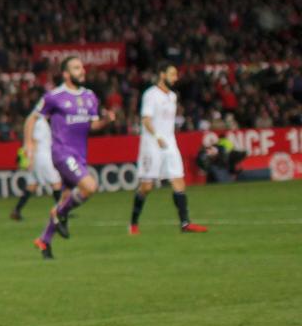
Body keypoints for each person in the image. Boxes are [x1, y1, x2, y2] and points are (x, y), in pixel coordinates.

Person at [33, 57, 116, 260]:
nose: (82, 71)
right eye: (77, 68)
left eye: (82, 67)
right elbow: (34, 117)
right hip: (62, 152)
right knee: (89, 186)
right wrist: (29, 143)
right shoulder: (54, 96)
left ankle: (44, 240)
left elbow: (92, 126)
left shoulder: (90, 97)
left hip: (80, 155)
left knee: (65, 198)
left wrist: (106, 120)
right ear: (66, 74)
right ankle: (61, 214)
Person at [130, 63, 208, 234]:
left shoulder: (172, 96)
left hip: (170, 143)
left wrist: (166, 138)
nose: (175, 78)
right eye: (172, 74)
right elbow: (146, 120)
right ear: (162, 74)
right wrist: (157, 136)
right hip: (152, 144)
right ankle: (133, 224)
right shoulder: (151, 94)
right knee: (146, 186)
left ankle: (185, 223)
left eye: (176, 75)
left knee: (178, 180)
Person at [11, 108, 64, 221]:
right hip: (42, 157)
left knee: (32, 185)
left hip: (36, 158)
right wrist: (30, 158)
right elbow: (34, 141)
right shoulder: (40, 123)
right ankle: (61, 211)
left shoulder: (39, 122)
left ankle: (17, 210)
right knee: (56, 183)